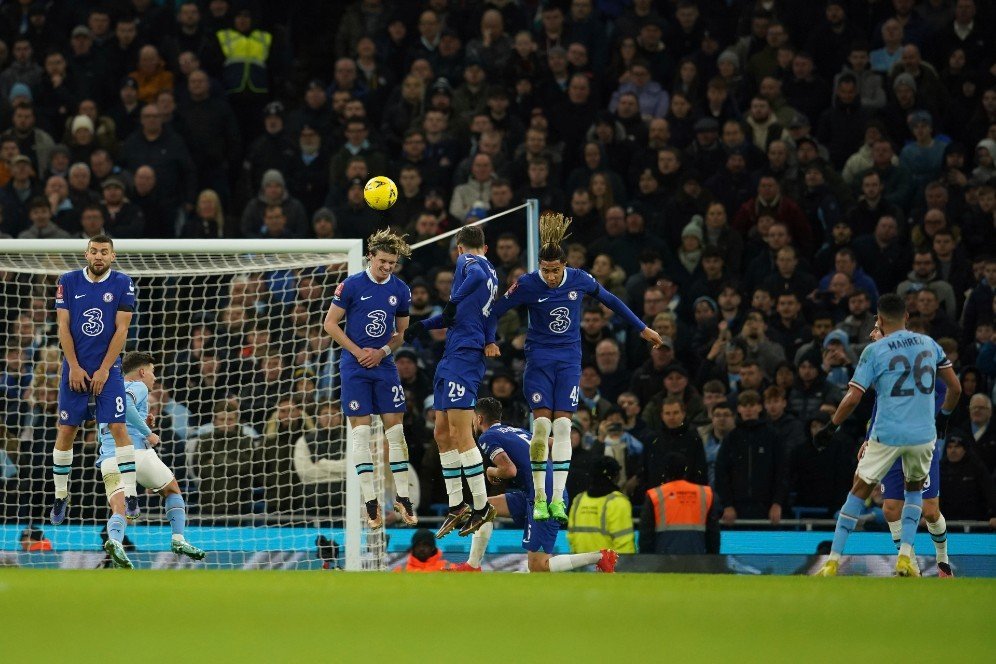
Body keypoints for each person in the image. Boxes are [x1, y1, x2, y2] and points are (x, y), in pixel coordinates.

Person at [487, 213, 663, 525]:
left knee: (565, 428)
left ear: (565, 266)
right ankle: (540, 497)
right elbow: (496, 309)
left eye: (555, 270)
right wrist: (488, 340)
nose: (551, 276)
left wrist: (641, 327)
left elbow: (612, 301)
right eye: (546, 270)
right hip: (539, 362)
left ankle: (557, 499)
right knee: (541, 428)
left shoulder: (580, 279)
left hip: (569, 362)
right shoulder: (527, 284)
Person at [814, 293, 961, 576]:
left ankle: (832, 560)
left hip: (888, 435)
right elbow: (955, 389)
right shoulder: (930, 345)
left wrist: (831, 427)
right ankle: (906, 556)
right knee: (907, 496)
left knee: (859, 491)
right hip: (921, 436)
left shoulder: (875, 351)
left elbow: (853, 398)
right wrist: (942, 420)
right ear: (906, 316)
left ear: (880, 320)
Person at [404, 225, 500, 538]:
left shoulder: (469, 263)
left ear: (459, 248)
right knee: (442, 432)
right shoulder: (490, 270)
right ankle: (458, 505)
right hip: (453, 354)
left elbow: (466, 289)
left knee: (461, 433)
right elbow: (452, 319)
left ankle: (482, 505)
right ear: (484, 246)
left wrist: (453, 299)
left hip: (464, 357)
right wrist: (420, 327)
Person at [450, 398, 617, 573]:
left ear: (479, 419)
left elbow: (509, 470)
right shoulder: (516, 431)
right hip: (537, 491)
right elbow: (553, 443)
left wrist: (491, 472)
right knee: (485, 507)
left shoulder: (487, 436)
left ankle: (600, 557)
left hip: (544, 498)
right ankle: (472, 565)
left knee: (538, 566)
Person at [323, 230, 417, 529]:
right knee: (361, 436)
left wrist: (383, 351)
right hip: (354, 366)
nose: (387, 267)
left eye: (392, 262)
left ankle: (403, 497)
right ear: (370, 257)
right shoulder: (351, 285)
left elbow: (402, 332)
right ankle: (371, 502)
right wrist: (358, 351)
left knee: (396, 434)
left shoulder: (401, 290)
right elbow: (330, 324)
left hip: (384, 365)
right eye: (383, 261)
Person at [51, 235, 139, 525]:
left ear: (112, 256)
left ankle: (131, 494)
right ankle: (61, 496)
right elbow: (63, 327)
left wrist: (104, 369)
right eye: (94, 251)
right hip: (74, 367)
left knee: (117, 426)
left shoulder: (123, 282)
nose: (98, 256)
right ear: (86, 254)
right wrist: (74, 366)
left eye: (104, 252)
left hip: (108, 368)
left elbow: (121, 331)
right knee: (66, 430)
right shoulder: (68, 280)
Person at [95, 351, 205, 568]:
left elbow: (116, 417)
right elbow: (127, 406)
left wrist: (142, 419)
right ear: (142, 371)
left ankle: (115, 541)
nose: (154, 378)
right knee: (172, 490)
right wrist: (147, 432)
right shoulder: (138, 386)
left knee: (119, 508)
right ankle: (178, 539)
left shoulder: (108, 392)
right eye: (153, 372)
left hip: (108, 457)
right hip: (137, 453)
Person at [862, 322, 954, 577]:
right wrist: (869, 438)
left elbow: (945, 388)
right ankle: (910, 567)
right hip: (890, 444)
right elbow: (881, 403)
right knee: (890, 508)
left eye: (877, 329)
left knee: (930, 510)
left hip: (919, 443)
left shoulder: (922, 361)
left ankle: (943, 561)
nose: (872, 334)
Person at [639, 452, 714, 554]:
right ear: (685, 470)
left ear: (665, 471)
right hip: (697, 560)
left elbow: (645, 536)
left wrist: (647, 562)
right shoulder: (704, 494)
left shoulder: (655, 495)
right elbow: (713, 535)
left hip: (663, 561)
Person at [566, 454, 636, 556]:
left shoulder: (579, 500)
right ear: (614, 476)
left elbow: (571, 537)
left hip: (580, 565)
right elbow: (624, 544)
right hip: (608, 567)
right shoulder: (618, 502)